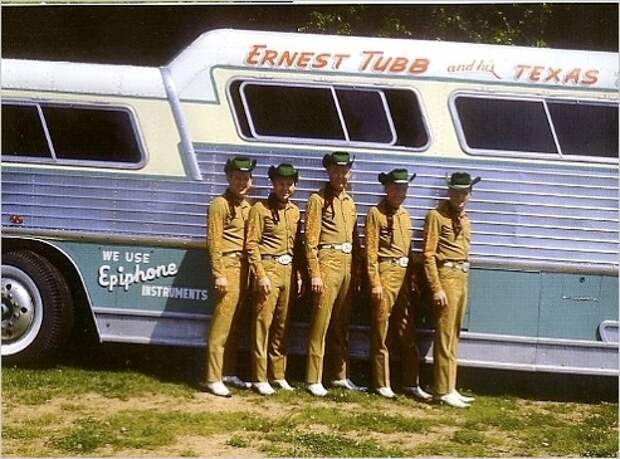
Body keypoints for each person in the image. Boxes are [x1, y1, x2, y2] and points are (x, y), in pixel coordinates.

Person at [366, 169, 432, 401]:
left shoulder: (405, 215)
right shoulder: (376, 214)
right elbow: (371, 253)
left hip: (403, 276)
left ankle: (410, 382)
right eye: (395, 188)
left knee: (407, 330)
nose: (399, 193)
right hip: (385, 274)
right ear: (386, 189)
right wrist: (375, 283)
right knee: (381, 331)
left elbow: (408, 251)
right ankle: (381, 383)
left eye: (403, 189)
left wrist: (414, 274)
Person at [305, 151, 364, 397]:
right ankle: (313, 378)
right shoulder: (317, 200)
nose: (341, 175)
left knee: (342, 322)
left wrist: (357, 272)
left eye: (344, 171)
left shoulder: (349, 202)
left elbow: (355, 240)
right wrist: (315, 274)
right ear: (329, 172)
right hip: (327, 261)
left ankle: (339, 375)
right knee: (321, 321)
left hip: (347, 263)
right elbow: (310, 240)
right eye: (336, 171)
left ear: (349, 173)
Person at [423, 172, 480, 408]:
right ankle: (441, 390)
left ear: (470, 194)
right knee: (444, 334)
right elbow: (428, 255)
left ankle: (450, 386)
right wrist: (436, 288)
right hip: (446, 276)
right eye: (456, 192)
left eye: (465, 192)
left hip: (462, 276)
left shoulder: (465, 219)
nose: (460, 197)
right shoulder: (436, 216)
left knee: (454, 335)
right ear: (449, 192)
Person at [246, 163, 302, 396]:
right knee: (263, 324)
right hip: (268, 269)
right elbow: (251, 243)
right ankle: (259, 377)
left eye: (289, 184)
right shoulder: (260, 209)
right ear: (273, 184)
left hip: (287, 271)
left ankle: (278, 374)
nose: (285, 188)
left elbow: (295, 247)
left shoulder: (295, 211)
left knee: (282, 323)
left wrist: (297, 274)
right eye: (280, 183)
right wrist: (260, 275)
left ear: (294, 186)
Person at [202, 156, 256, 397]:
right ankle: (212, 378)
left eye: (245, 178)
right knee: (222, 323)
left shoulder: (247, 206)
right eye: (237, 178)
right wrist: (219, 274)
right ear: (228, 178)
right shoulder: (219, 205)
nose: (241, 182)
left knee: (234, 323)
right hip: (227, 266)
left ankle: (228, 372)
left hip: (243, 268)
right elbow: (214, 242)